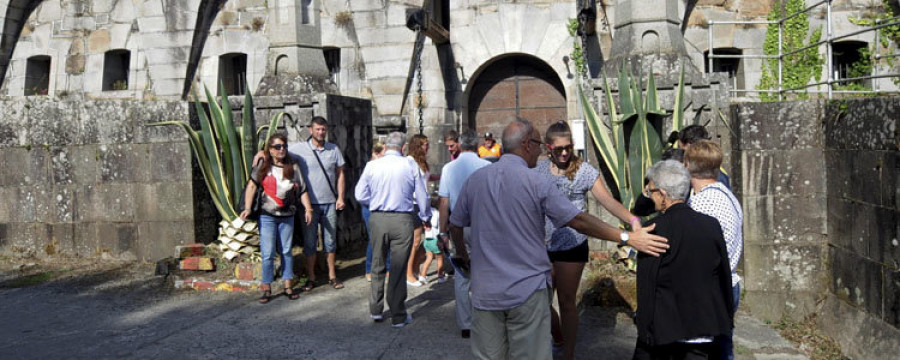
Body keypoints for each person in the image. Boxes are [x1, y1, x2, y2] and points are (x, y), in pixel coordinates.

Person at [449, 118, 669, 359]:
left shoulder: (477, 180)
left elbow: (456, 225)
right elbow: (578, 220)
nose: (542, 149)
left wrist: (464, 257)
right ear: (526, 144)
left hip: (486, 291)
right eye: (539, 143)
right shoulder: (536, 180)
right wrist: (626, 236)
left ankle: (567, 350)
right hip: (525, 290)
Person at [535, 120, 643, 360]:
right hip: (543, 243)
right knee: (540, 300)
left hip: (572, 242)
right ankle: (559, 337)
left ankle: (568, 354)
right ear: (548, 148)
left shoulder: (584, 170)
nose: (564, 153)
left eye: (568, 147)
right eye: (558, 149)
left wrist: (632, 219)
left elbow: (608, 201)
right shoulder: (538, 171)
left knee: (566, 301)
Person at [633, 160, 734, 360]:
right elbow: (723, 275)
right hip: (703, 327)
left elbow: (647, 283)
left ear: (662, 195)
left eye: (651, 191)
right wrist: (726, 317)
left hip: (664, 331)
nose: (650, 197)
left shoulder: (654, 230)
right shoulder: (710, 225)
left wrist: (643, 328)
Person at [355, 131, 432, 328]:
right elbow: (422, 195)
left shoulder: (373, 165)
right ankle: (398, 314)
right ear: (403, 147)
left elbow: (359, 193)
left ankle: (376, 309)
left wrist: (375, 203)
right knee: (398, 267)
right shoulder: (409, 164)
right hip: (402, 218)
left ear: (386, 145)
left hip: (378, 217)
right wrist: (425, 217)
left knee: (378, 263)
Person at [684, 141, 744, 360]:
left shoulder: (703, 203)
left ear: (687, 165)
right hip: (728, 282)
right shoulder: (726, 195)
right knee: (723, 349)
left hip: (711, 288)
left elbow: (696, 252)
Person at [240, 133, 313, 304]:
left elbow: (302, 190)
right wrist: (248, 208)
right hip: (267, 215)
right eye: (277, 147)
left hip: (287, 215)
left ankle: (288, 284)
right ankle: (266, 287)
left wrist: (308, 208)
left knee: (286, 251)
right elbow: (252, 185)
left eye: (284, 146)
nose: (281, 150)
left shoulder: (293, 166)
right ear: (270, 150)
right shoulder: (263, 165)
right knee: (268, 253)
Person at [437, 129, 491, 339]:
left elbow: (444, 202)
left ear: (459, 144)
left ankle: (466, 324)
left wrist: (443, 231)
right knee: (483, 273)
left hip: (458, 228)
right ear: (477, 145)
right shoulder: (487, 166)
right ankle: (484, 318)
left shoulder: (449, 168)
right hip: (483, 227)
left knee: (461, 274)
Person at [290, 116, 346, 291]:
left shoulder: (333, 149)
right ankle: (312, 277)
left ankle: (332, 275)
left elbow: (341, 174)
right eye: (318, 129)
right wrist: (262, 153)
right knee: (310, 242)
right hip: (309, 206)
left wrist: (341, 197)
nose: (321, 132)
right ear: (310, 129)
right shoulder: (299, 149)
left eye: (323, 129)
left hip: (330, 203)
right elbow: (278, 151)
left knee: (330, 241)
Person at [405, 134, 431, 287]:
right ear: (417, 146)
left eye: (427, 144)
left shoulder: (422, 163)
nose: (427, 147)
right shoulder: (409, 162)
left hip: (422, 203)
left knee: (420, 240)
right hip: (413, 204)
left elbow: (425, 179)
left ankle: (414, 268)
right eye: (424, 145)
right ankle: (408, 274)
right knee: (414, 241)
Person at [364, 139, 388, 282]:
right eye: (385, 153)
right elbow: (362, 193)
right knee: (374, 239)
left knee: (386, 238)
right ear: (377, 154)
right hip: (371, 206)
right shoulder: (371, 167)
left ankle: (388, 268)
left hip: (383, 206)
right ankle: (369, 269)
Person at [678, 125, 731, 190]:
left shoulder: (713, 176)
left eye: (682, 151)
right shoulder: (716, 169)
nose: (681, 155)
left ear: (689, 146)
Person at [418, 203, 445, 284]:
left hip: (427, 240)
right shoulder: (436, 212)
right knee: (439, 259)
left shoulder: (426, 212)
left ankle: (422, 276)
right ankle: (440, 277)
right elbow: (436, 224)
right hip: (435, 239)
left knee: (428, 258)